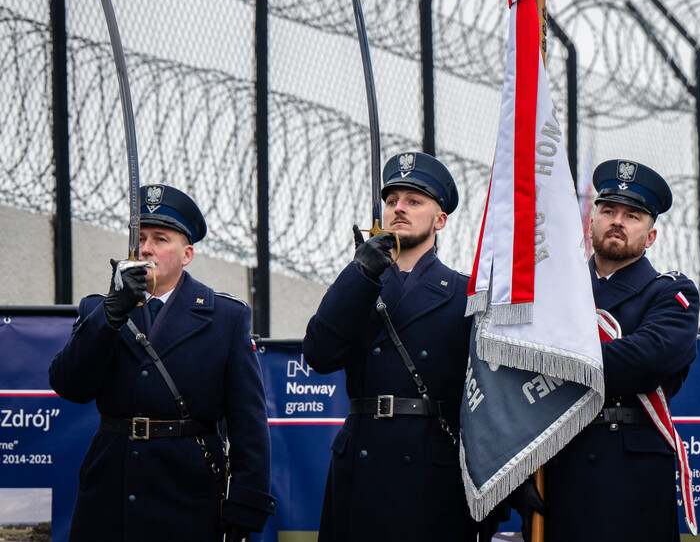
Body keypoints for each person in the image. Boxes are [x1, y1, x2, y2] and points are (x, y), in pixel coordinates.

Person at [49, 184, 276, 541]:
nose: (145, 249)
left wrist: (247, 504)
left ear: (187, 254)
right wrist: (110, 316)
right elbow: (69, 385)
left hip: (187, 492)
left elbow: (248, 421)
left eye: (160, 239)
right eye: (139, 238)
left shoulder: (225, 317)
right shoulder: (98, 309)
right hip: (111, 489)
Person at [302, 151, 477, 541]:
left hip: (433, 469)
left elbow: (484, 398)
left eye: (414, 201)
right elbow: (319, 354)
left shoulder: (465, 292)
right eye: (392, 200)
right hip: (363, 461)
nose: (399, 208)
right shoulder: (359, 283)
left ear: (440, 219)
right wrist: (359, 273)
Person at [541, 159, 700, 542]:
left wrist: (553, 356)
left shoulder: (670, 292)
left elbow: (647, 360)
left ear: (650, 237)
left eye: (632, 216)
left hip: (634, 472)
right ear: (591, 222)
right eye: (608, 210)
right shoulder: (556, 290)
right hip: (561, 464)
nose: (617, 221)